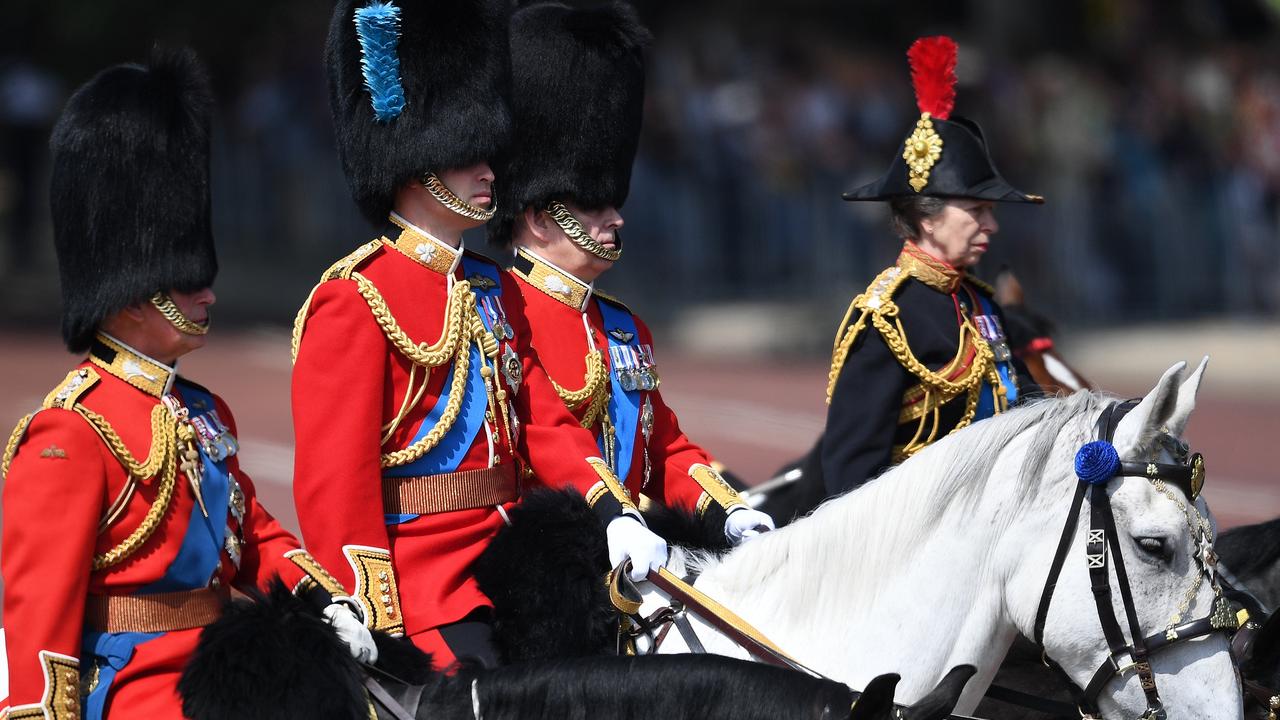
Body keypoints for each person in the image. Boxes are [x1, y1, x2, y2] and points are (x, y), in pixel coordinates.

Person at [294, 0, 668, 670]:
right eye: (470, 154)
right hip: (426, 591)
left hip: (515, 569)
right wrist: (369, 618)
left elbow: (545, 421)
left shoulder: (492, 289)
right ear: (417, 160)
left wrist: (612, 510)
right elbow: (335, 483)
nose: (491, 171)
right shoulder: (356, 296)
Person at [0, 49, 373, 720]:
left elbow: (252, 536)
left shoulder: (202, 411)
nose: (206, 291)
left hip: (222, 681)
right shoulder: (71, 430)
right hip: (133, 697)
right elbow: (39, 623)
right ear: (131, 292)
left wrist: (325, 600)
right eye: (184, 277)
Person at [488, 1, 774, 543]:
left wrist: (728, 509)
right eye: (594, 204)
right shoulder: (496, 312)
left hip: (628, 553)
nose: (615, 216)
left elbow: (663, 448)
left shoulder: (622, 327)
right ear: (540, 218)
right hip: (539, 563)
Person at [822, 36, 1043, 497]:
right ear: (927, 214)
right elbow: (851, 478)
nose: (992, 226)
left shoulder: (979, 301)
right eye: (976, 211)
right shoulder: (886, 318)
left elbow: (1028, 411)